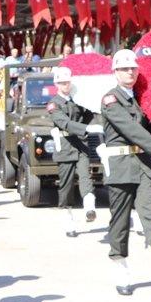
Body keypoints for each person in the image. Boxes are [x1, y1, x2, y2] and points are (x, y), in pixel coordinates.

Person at [100, 49, 151, 296]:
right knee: (120, 221)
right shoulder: (110, 100)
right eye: (124, 69)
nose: (130, 72)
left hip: (143, 165)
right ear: (115, 72)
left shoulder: (141, 98)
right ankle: (121, 265)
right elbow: (131, 129)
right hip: (122, 167)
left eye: (133, 68)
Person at [46, 66, 95, 236]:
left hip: (81, 144)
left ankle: (89, 206)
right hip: (66, 145)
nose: (65, 85)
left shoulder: (79, 99)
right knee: (66, 185)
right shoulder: (54, 104)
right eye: (62, 83)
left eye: (67, 82)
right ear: (57, 85)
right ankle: (68, 219)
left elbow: (90, 114)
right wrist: (88, 128)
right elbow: (64, 123)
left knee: (85, 176)